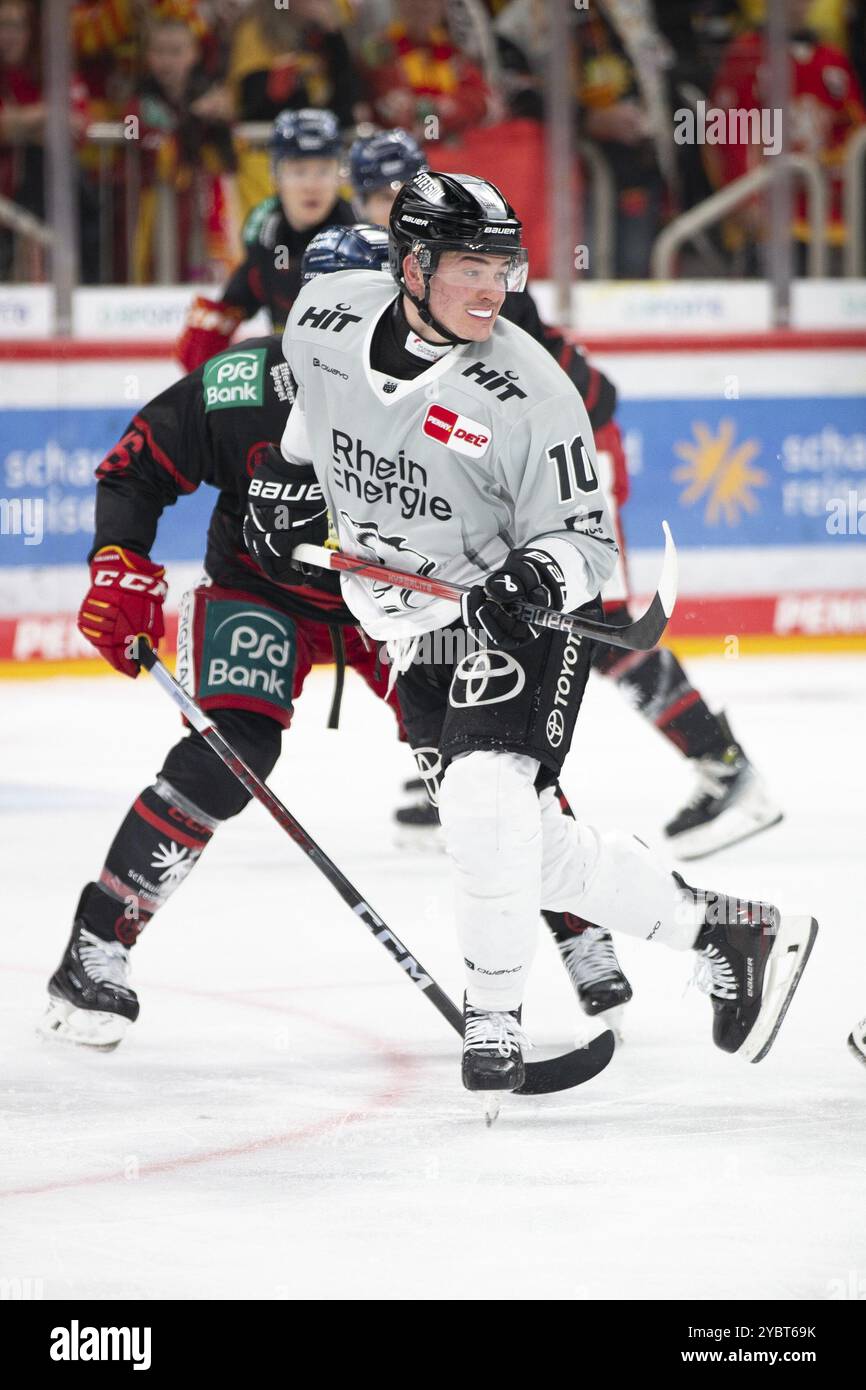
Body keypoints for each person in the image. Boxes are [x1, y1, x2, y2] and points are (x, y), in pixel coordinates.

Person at [246, 169, 817, 1094]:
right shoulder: (323, 315)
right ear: (413, 264)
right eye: (470, 265)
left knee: (481, 808)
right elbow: (318, 413)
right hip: (411, 628)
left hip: (515, 617)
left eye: (504, 266)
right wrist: (285, 483)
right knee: (523, 846)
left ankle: (494, 1020)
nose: (493, 287)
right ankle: (732, 930)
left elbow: (584, 542)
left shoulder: (531, 391)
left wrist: (529, 576)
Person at [349, 130, 782, 862]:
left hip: (568, 448)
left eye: (400, 189)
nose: (388, 205)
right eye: (375, 194)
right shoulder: (396, 280)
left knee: (596, 615)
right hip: (504, 461)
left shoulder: (460, 279)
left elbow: (570, 398)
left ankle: (725, 765)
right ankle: (460, 766)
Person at [175, 106, 354, 372]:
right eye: (298, 171)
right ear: (275, 175)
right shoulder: (264, 236)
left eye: (323, 170)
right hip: (289, 383)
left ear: (340, 174)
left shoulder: (359, 241)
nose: (311, 185)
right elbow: (203, 341)